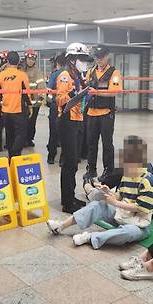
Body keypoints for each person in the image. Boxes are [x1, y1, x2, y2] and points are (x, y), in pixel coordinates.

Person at [46, 136, 153, 249]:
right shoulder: (127, 175)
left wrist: (115, 203)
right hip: (122, 215)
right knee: (97, 205)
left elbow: (141, 208)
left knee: (129, 232)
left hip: (140, 224)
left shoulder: (148, 180)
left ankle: (90, 237)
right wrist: (108, 192)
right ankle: (60, 226)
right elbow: (120, 196)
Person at [57, 43, 93, 213]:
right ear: (71, 59)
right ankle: (67, 202)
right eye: (82, 59)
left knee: (74, 163)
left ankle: (70, 197)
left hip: (78, 120)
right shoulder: (65, 75)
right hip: (67, 122)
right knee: (69, 163)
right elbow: (60, 99)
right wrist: (73, 93)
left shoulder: (78, 77)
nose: (84, 63)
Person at [84, 45, 122, 181]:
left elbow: (114, 92)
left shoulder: (114, 73)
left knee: (107, 144)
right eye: (96, 57)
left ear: (107, 56)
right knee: (91, 143)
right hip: (91, 113)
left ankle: (108, 170)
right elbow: (85, 88)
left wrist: (96, 92)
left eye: (101, 57)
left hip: (106, 114)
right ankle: (91, 169)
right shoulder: (90, 72)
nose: (98, 59)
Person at [0, 51, 30, 159]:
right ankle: (15, 154)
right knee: (21, 134)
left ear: (8, 61)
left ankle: (11, 158)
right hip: (19, 110)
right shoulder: (22, 75)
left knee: (9, 135)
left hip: (5, 110)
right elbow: (26, 93)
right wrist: (30, 106)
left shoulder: (0, 75)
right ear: (19, 61)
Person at [22, 49, 46, 147]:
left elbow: (41, 86)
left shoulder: (37, 72)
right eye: (29, 59)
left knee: (31, 122)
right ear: (25, 59)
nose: (31, 61)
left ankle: (29, 139)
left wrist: (40, 100)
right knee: (23, 122)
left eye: (32, 59)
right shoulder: (21, 70)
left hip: (34, 103)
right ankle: (23, 139)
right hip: (24, 102)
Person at [46, 53, 65, 164]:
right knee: (64, 133)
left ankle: (51, 157)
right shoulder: (69, 74)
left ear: (57, 63)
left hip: (55, 105)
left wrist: (49, 103)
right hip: (66, 106)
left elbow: (48, 90)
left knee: (53, 133)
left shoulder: (54, 74)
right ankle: (62, 159)